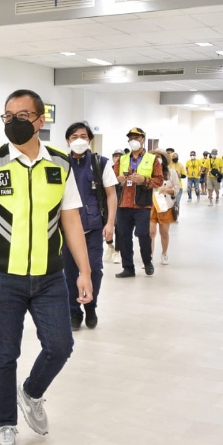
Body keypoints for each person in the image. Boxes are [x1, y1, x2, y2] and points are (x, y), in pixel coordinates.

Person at [0, 89, 92, 445]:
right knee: (5, 353)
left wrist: (85, 272)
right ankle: (6, 426)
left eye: (23, 115)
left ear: (40, 121)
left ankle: (31, 392)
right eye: (8, 115)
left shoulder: (60, 165)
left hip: (49, 275)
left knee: (61, 345)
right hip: (2, 277)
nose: (14, 122)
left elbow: (72, 221)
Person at [63, 122, 117, 331]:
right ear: (68, 140)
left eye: (83, 136)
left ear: (90, 139)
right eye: (74, 136)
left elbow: (112, 195)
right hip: (67, 230)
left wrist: (110, 223)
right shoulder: (60, 163)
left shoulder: (100, 163)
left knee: (94, 269)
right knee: (69, 272)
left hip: (92, 227)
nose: (79, 140)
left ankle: (91, 307)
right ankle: (74, 312)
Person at [115, 127, 163, 278]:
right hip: (123, 203)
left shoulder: (152, 159)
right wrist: (118, 180)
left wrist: (144, 180)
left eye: (137, 137)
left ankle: (147, 262)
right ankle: (128, 268)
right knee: (123, 236)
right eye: (131, 138)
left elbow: (159, 180)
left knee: (143, 234)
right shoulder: (122, 159)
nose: (134, 140)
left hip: (142, 203)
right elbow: (111, 177)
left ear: (143, 139)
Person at [148, 150, 180, 266]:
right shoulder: (149, 172)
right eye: (154, 157)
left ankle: (164, 253)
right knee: (151, 232)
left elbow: (177, 189)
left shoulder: (171, 173)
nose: (157, 159)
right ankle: (149, 257)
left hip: (166, 206)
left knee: (164, 232)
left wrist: (166, 190)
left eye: (159, 157)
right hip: (151, 205)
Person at [104, 149, 125, 264]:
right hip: (110, 202)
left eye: (120, 156)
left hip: (123, 203)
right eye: (115, 156)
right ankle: (110, 246)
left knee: (119, 229)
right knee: (107, 226)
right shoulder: (109, 169)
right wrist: (116, 180)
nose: (117, 158)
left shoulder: (127, 170)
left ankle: (117, 251)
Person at [166, 148, 185, 221]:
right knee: (169, 202)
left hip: (178, 187)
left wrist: (179, 175)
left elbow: (184, 175)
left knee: (177, 202)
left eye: (176, 156)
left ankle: (176, 216)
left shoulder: (180, 165)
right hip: (169, 186)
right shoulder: (168, 165)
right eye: (173, 156)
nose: (175, 158)